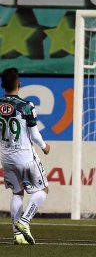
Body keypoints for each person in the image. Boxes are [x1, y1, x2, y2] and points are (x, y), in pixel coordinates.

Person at [0, 68, 50, 245]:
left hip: (6, 157)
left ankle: (17, 235)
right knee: (43, 190)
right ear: (18, 84)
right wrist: (45, 147)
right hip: (25, 157)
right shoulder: (26, 106)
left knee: (17, 193)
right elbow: (35, 135)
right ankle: (24, 221)